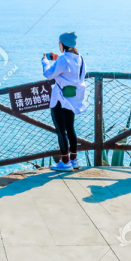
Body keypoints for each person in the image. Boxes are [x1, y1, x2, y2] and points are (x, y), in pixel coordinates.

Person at [42, 32, 87, 171]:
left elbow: (49, 74)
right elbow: (73, 72)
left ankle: (65, 162)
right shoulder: (80, 58)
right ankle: (73, 160)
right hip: (72, 99)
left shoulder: (63, 59)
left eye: (59, 43)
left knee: (61, 131)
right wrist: (58, 58)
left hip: (59, 100)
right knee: (70, 129)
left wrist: (45, 61)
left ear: (62, 44)